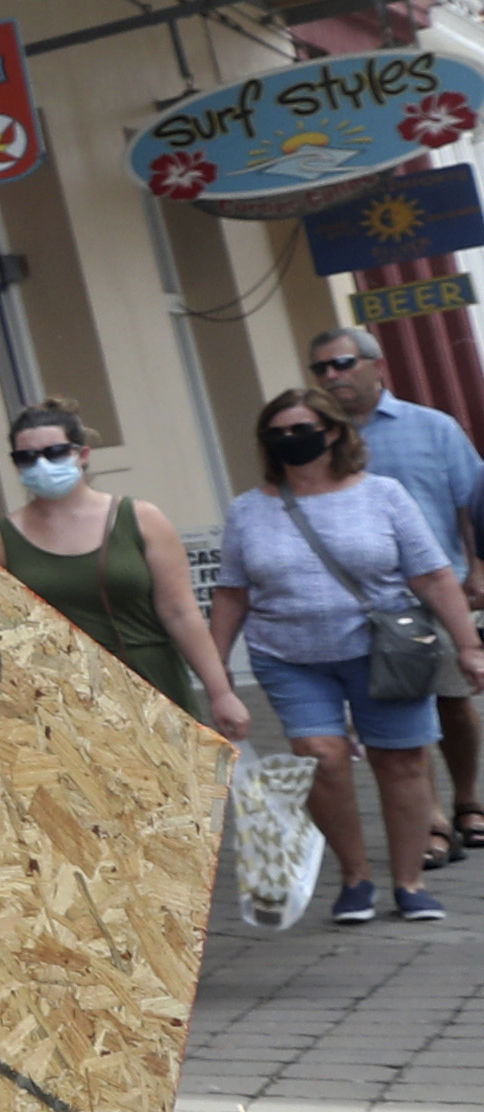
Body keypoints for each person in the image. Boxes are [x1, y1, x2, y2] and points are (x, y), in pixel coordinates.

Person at [205, 388, 481, 926]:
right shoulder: (248, 509)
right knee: (320, 755)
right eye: (276, 433)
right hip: (288, 655)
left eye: (300, 429)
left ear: (332, 432)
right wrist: (217, 675)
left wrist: (468, 647)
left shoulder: (383, 495)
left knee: (399, 759)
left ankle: (409, 881)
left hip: (386, 650)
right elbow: (232, 593)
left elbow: (431, 575)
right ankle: (356, 877)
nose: (289, 441)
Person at [294, 326, 484, 864]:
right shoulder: (314, 438)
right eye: (321, 369)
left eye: (342, 363)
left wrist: (477, 569)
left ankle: (468, 798)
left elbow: (472, 503)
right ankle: (430, 821)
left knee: (450, 700)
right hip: (358, 599)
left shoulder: (433, 428)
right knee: (401, 707)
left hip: (435, 586)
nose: (332, 376)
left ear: (378, 366)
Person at [0, 400, 243, 739]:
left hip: (150, 681)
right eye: (26, 457)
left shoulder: (141, 519)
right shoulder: (0, 537)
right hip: (61, 694)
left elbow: (180, 612)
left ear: (82, 454)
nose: (41, 464)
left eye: (55, 452)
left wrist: (221, 693)